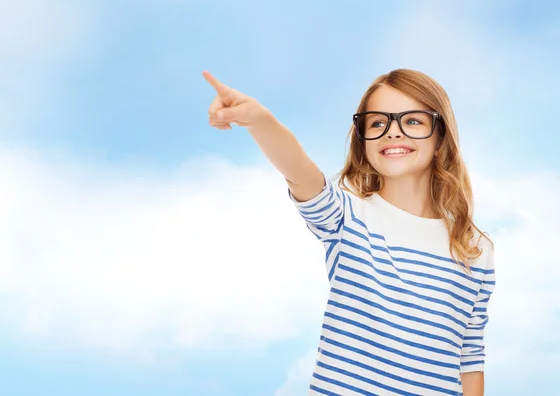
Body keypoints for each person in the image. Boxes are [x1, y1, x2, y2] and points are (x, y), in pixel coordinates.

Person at [203, 68, 495, 396]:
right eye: (377, 123)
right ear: (363, 143)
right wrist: (259, 120)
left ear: (440, 139)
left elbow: (470, 357)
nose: (393, 132)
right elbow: (298, 170)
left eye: (412, 121)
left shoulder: (474, 249)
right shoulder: (347, 217)